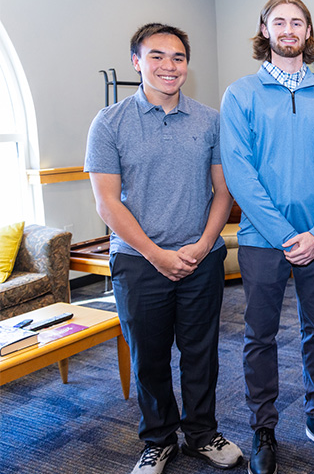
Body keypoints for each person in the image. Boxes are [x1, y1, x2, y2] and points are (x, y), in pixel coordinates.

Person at [85, 23, 242, 474]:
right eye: (156, 56)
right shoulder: (109, 122)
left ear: (186, 65)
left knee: (201, 353)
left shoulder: (211, 120)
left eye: (177, 57)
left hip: (202, 259)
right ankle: (157, 439)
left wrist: (205, 243)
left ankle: (201, 433)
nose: (168, 66)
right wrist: (157, 254)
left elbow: (222, 193)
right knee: (149, 357)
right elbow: (106, 202)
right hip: (139, 262)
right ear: (137, 62)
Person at [219, 0, 314, 474]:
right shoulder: (240, 95)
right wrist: (283, 233)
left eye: (298, 22)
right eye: (280, 21)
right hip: (262, 240)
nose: (289, 29)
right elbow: (239, 172)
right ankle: (263, 428)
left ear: (308, 32)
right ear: (265, 29)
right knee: (260, 336)